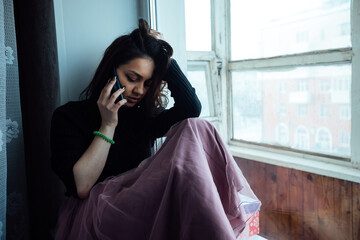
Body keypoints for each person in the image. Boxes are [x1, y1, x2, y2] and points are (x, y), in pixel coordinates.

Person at [51, 19, 260, 240]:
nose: (139, 90)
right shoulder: (68, 117)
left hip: (141, 208)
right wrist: (108, 124)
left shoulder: (143, 118)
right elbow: (82, 187)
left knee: (196, 127)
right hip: (97, 216)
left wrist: (163, 59)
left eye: (148, 83)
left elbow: (191, 108)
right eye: (132, 78)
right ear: (110, 70)